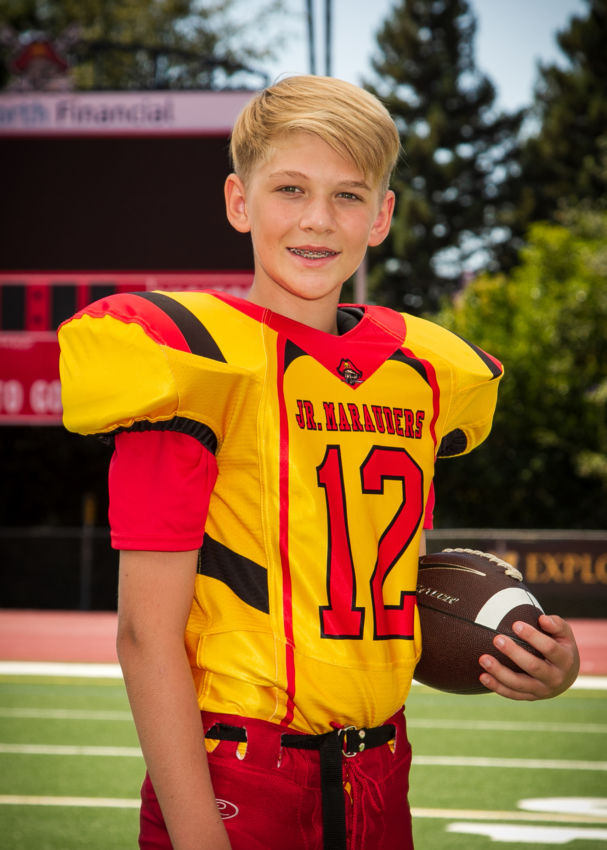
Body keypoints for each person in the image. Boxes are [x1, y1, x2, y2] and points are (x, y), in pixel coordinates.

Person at [58, 75, 580, 850]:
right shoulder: (195, 364)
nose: (316, 219)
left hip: (381, 768)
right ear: (239, 202)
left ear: (381, 216)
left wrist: (539, 659)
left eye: (346, 195)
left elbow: (380, 573)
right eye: (290, 189)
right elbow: (144, 634)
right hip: (237, 778)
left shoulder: (423, 371)